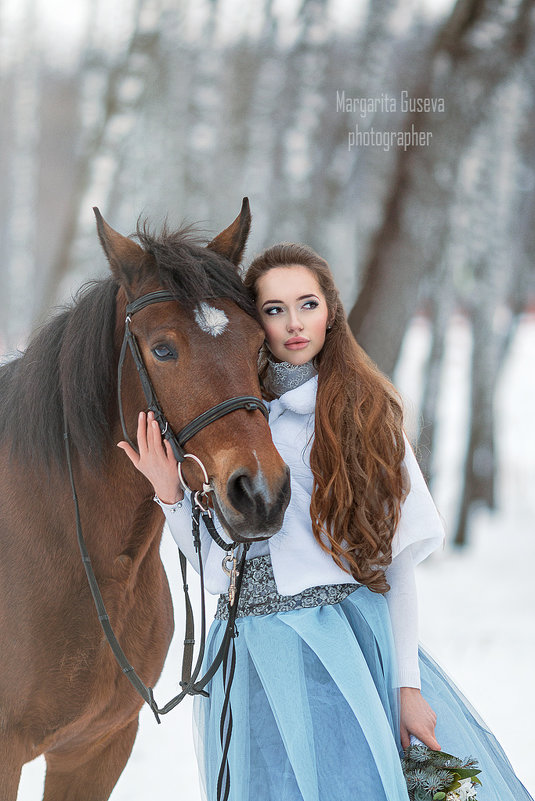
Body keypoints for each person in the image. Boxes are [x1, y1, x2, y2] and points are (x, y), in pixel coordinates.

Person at [119, 243, 533, 801]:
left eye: (307, 304)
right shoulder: (240, 429)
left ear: (330, 311)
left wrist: (406, 687)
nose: (293, 324)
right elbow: (221, 576)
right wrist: (171, 498)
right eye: (273, 309)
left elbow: (398, 569)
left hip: (339, 650)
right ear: (254, 321)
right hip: (250, 661)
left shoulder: (363, 415)